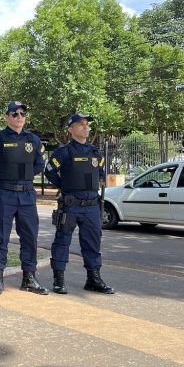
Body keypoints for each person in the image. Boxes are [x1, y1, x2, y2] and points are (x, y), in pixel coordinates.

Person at [0, 101, 48, 296]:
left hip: (27, 193)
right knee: (1, 236)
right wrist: (5, 176)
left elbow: (39, 165)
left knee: (29, 237)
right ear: (6, 117)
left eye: (22, 114)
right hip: (4, 193)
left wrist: (22, 177)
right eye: (15, 114)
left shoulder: (34, 140)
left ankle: (29, 278)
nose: (19, 117)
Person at [44, 114, 115, 295]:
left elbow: (100, 172)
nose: (85, 127)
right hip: (70, 204)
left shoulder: (95, 152)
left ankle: (93, 279)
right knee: (62, 241)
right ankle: (58, 279)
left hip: (92, 205)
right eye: (80, 124)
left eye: (86, 124)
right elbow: (50, 171)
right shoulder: (64, 152)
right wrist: (65, 184)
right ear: (70, 129)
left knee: (93, 243)